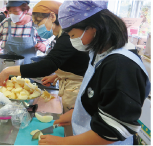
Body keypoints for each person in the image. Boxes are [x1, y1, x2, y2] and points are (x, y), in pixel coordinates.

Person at [38, 0, 151, 146]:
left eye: (72, 35)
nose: (72, 41)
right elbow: (101, 96)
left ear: (93, 28)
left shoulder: (120, 65)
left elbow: (113, 129)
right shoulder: (99, 52)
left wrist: (64, 143)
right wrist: (77, 114)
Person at [0, 0, 89, 136]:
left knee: (74, 133)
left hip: (76, 92)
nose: (38, 27)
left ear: (52, 17)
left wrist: (8, 70)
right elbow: (72, 62)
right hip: (69, 86)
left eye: (39, 23)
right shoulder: (60, 36)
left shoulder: (67, 37)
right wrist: (56, 75)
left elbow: (48, 65)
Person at [0, 0, 49, 64]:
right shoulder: (6, 23)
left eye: (15, 11)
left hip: (27, 68)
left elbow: (45, 41)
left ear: (25, 11)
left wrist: (43, 46)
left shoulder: (35, 23)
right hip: (6, 67)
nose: (12, 14)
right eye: (10, 11)